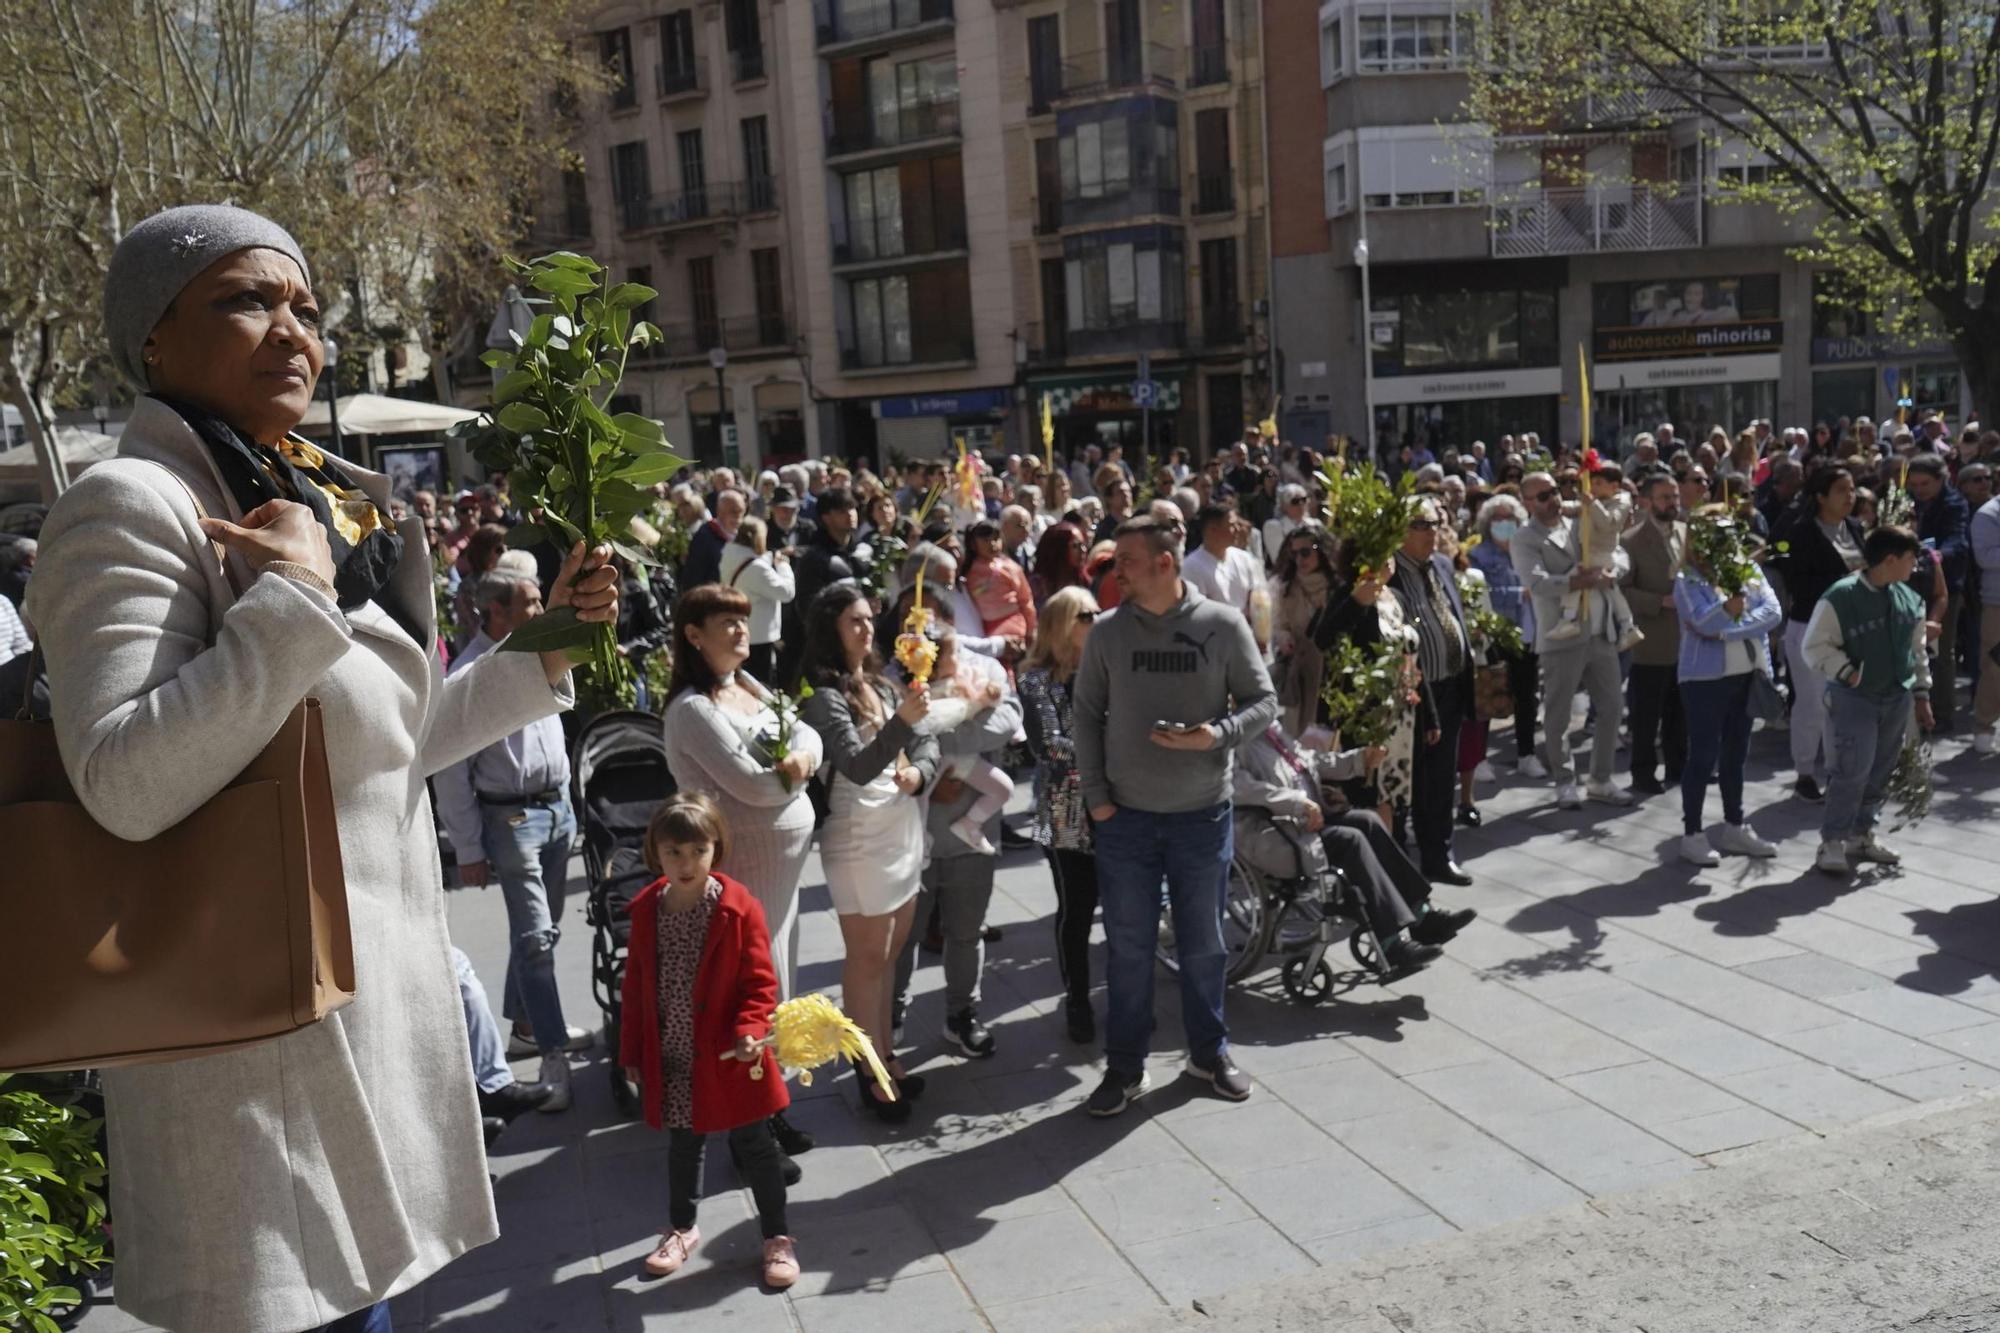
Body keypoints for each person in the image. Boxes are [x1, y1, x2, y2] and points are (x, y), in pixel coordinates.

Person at [24, 205, 620, 1333]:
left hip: (359, 1028)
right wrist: (292, 603)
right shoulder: (129, 505)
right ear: (151, 339)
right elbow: (121, 779)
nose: (292, 330)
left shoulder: (320, 497)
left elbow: (373, 751)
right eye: (244, 300)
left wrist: (543, 653)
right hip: (250, 1068)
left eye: (304, 305)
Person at [1074, 515, 1277, 1117]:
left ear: (1165, 563)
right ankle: (1125, 1067)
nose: (1117, 573)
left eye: (1128, 562)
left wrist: (1216, 735)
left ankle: (1208, 1053)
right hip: (1126, 819)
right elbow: (1085, 714)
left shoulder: (1221, 623)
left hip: (1200, 816)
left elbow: (1264, 702)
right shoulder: (1108, 632)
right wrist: (1098, 798)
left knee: (1205, 945)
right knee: (1129, 948)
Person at [618, 794, 800, 1290]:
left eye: (697, 851)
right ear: (655, 851)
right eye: (673, 851)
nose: (685, 863)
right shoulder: (647, 911)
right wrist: (631, 1051)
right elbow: (634, 987)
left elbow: (759, 983)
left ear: (715, 848)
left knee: (755, 1145)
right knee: (684, 1145)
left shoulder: (737, 908)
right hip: (674, 1052)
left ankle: (777, 1237)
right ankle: (681, 1228)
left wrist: (749, 1029)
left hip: (728, 1055)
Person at [435, 570, 592, 1107]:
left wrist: (569, 798)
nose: (540, 608)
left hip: (556, 810)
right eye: (529, 602)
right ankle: (552, 1055)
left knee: (540, 935)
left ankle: (526, 1024)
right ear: (495, 613)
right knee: (536, 939)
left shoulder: (537, 651)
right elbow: (451, 773)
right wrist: (470, 848)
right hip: (512, 822)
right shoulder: (471, 672)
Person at [798, 584, 938, 1121]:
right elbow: (856, 765)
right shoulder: (825, 694)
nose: (864, 628)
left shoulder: (878, 680)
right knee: (866, 957)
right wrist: (903, 721)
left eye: (866, 619)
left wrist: (918, 770)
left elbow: (926, 740)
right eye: (852, 621)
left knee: (890, 955)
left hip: (899, 825)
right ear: (830, 629)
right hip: (858, 835)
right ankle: (869, 1067)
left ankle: (885, 1054)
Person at [1232, 724, 1474, 976]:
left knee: (1367, 821)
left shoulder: (1271, 730)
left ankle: (1423, 917)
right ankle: (1391, 943)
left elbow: (1310, 760)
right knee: (1350, 840)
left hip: (1306, 820)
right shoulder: (1235, 741)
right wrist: (1296, 802)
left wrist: (1358, 759)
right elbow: (1242, 788)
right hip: (1277, 833)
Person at [890, 615, 1022, 1058]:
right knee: (903, 937)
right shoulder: (895, 677)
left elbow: (1007, 718)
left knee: (967, 933)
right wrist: (936, 762)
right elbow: (891, 731)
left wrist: (947, 744)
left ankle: (962, 1015)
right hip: (911, 834)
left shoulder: (980, 667)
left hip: (971, 835)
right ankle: (890, 1015)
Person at [1804, 526, 1934, 874]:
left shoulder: (1909, 598)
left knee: (1880, 770)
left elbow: (1916, 650)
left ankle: (1861, 835)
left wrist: (1921, 693)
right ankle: (1832, 841)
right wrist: (1847, 671)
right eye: (1910, 559)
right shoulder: (1841, 596)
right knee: (1851, 770)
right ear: (1890, 560)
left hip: (1896, 697)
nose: (1915, 566)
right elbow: (1813, 646)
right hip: (1854, 698)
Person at [1511, 471, 1632, 810]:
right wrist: (1575, 581)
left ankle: (1601, 779)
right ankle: (1564, 781)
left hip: (1599, 629)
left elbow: (1617, 548)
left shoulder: (1579, 519)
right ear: (1527, 502)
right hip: (1560, 635)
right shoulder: (1525, 538)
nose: (1553, 500)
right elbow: (1536, 583)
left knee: (1612, 707)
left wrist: (1613, 571)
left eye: (1554, 491)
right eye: (1543, 496)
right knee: (1558, 715)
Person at [1672, 510, 1784, 866]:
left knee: (1737, 754)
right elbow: (1702, 621)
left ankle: (1734, 825)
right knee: (1703, 757)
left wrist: (1730, 625)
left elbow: (1773, 612)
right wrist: (1726, 613)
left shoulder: (1747, 571)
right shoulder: (1687, 578)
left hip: (1747, 675)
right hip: (1704, 680)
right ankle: (1692, 833)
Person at [1020, 587, 1104, 1043]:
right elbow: (1049, 746)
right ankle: (1077, 999)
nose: (1096, 619)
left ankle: (1127, 998)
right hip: (1066, 805)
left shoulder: (1106, 667)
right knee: (1077, 907)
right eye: (1085, 614)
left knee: (1125, 903)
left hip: (1115, 801)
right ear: (1063, 624)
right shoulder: (1037, 680)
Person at [1388, 497, 1476, 884]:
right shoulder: (1388, 574)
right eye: (1421, 525)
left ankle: (1439, 856)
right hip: (1413, 695)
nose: (1431, 532)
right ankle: (1403, 863)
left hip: (1451, 685)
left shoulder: (1441, 564)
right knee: (1412, 780)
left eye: (1435, 524)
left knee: (1442, 778)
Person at [1772, 465, 1866, 800]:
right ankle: (1804, 772)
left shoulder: (1855, 528)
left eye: (1852, 489)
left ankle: (1839, 769)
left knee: (1844, 704)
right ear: (1820, 496)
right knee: (1812, 703)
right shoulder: (1801, 533)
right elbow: (1799, 582)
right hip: (1811, 628)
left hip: (1850, 631)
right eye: (1842, 490)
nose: (1850, 497)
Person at [911, 630, 1017, 856]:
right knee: (919, 798)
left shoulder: (968, 673)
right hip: (933, 758)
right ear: (934, 663)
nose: (958, 658)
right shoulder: (917, 689)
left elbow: (991, 698)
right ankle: (918, 844)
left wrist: (990, 693)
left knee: (1003, 789)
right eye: (952, 654)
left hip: (964, 758)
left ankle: (970, 823)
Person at [1467, 494, 1542, 777]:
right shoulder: (1479, 555)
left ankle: (1526, 754)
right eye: (1497, 518)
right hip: (1495, 634)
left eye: (1508, 518)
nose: (1503, 524)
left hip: (1527, 632)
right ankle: (1479, 760)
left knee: (1527, 696)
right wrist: (1519, 594)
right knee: (1489, 693)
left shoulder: (1527, 550)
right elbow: (1484, 594)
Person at [1623, 471, 1688, 795]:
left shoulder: (1684, 532)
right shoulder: (1631, 541)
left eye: (1675, 496)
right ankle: (1643, 772)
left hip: (1685, 641)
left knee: (1680, 711)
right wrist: (1658, 601)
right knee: (1647, 714)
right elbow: (1621, 590)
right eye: (1665, 497)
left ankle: (1679, 765)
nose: (1672, 503)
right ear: (1647, 501)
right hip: (1650, 640)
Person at [1905, 454, 1971, 729]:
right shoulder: (1908, 501)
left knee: (1940, 652)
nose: (1920, 490)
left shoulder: (1954, 504)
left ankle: (1942, 715)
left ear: (1941, 479)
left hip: (1943, 586)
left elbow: (1958, 540)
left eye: (1925, 484)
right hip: (1907, 583)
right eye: (1915, 484)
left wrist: (1935, 557)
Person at [1548, 462, 1642, 651]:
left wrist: (1592, 504)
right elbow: (1576, 508)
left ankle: (1568, 618)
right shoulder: (1595, 500)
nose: (1594, 487)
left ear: (1614, 486)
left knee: (1577, 579)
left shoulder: (1621, 501)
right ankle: (1628, 625)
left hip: (1602, 552)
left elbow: (1610, 523)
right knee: (1611, 590)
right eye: (1592, 482)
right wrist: (1560, 506)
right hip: (1590, 550)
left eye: (1598, 483)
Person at [780, 486, 862, 683]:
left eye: (852, 508)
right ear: (826, 517)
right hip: (825, 651)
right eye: (841, 510)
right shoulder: (814, 558)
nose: (850, 514)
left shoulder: (859, 553)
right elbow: (807, 607)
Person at [1272, 524, 1336, 735]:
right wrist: (1283, 637)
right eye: (1295, 553)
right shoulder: (1286, 588)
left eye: (1306, 552)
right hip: (1300, 672)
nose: (1300, 559)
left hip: (1330, 673)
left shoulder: (1336, 588)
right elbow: (1279, 624)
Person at [719, 515, 796, 683]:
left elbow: (755, 562)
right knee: (760, 685)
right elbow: (786, 593)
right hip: (759, 637)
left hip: (743, 631)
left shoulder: (730, 555)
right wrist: (784, 565)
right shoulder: (757, 568)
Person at [1182, 502, 1264, 627]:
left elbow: (1258, 599)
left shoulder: (1244, 558)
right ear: (1213, 530)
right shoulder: (1191, 567)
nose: (1238, 529)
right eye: (1232, 525)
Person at [964, 517, 1037, 643]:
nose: (992, 544)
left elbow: (1025, 600)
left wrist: (1031, 630)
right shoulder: (967, 571)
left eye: (996, 539)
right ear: (973, 544)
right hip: (983, 627)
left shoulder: (1010, 567)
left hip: (1012, 623)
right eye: (986, 540)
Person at [1972, 488, 2000, 755]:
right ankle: (1984, 726)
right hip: (1998, 604)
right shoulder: (1989, 514)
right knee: (1995, 667)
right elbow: (1986, 557)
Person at [1030, 518, 1089, 607]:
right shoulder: (1037, 586)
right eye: (1075, 546)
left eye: (1083, 545)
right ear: (1059, 549)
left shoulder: (1084, 581)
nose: (1083, 550)